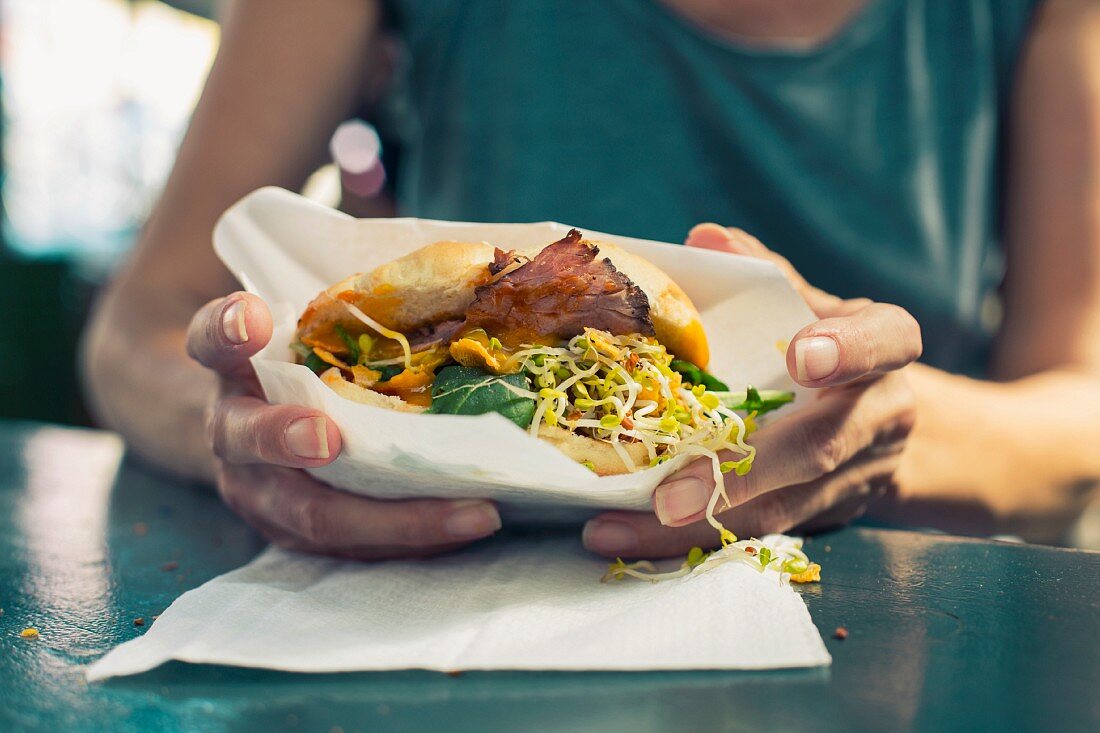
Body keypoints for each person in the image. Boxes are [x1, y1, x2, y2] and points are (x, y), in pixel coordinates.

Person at [82, 0, 1100, 560]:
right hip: (438, 606)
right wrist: (257, 433)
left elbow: (1078, 412)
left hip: (900, 621)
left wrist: (884, 428)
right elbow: (139, 327)